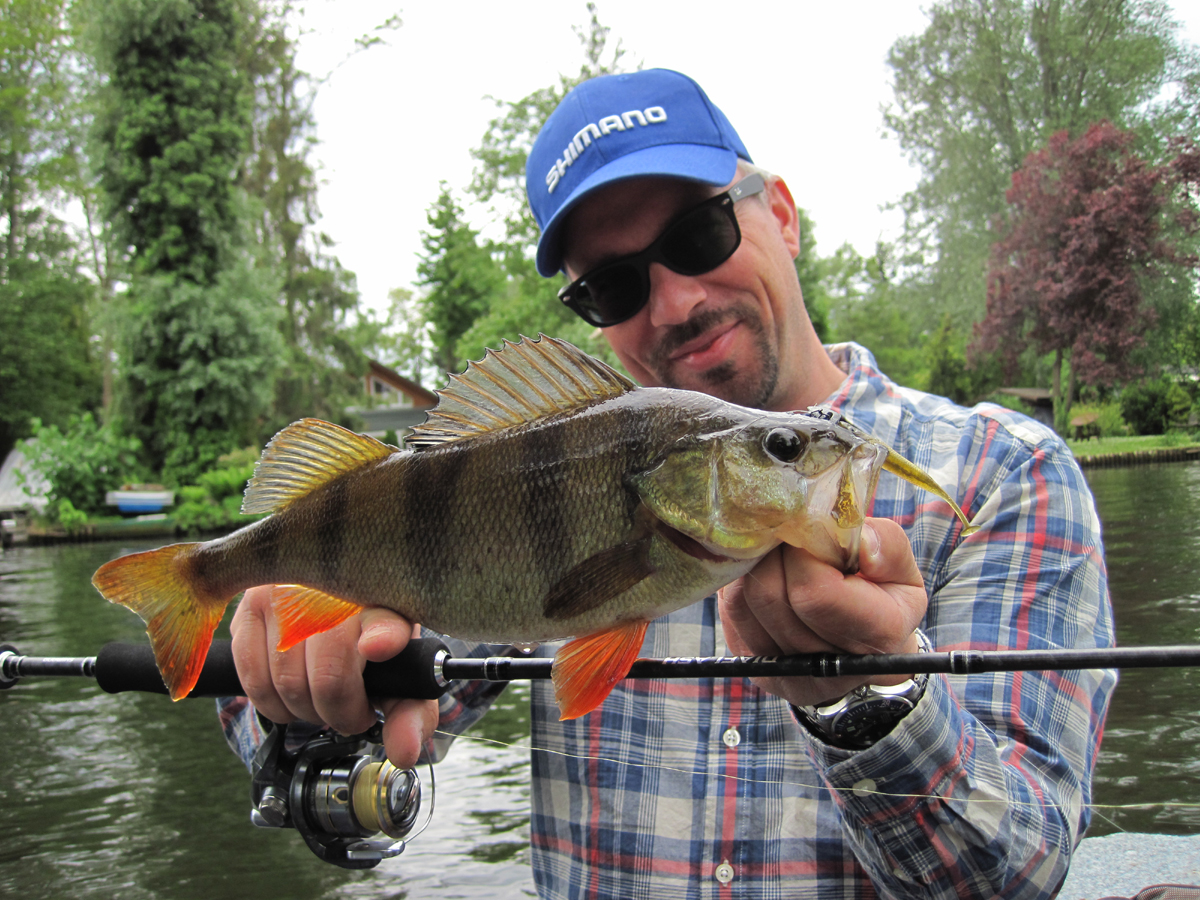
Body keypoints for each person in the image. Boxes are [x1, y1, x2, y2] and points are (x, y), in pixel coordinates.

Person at [222, 69, 1116, 898]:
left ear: (785, 216)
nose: (677, 302)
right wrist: (296, 689)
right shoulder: (532, 476)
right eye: (613, 287)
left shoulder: (1007, 475)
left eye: (700, 234)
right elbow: (332, 751)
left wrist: (870, 705)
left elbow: (1016, 873)